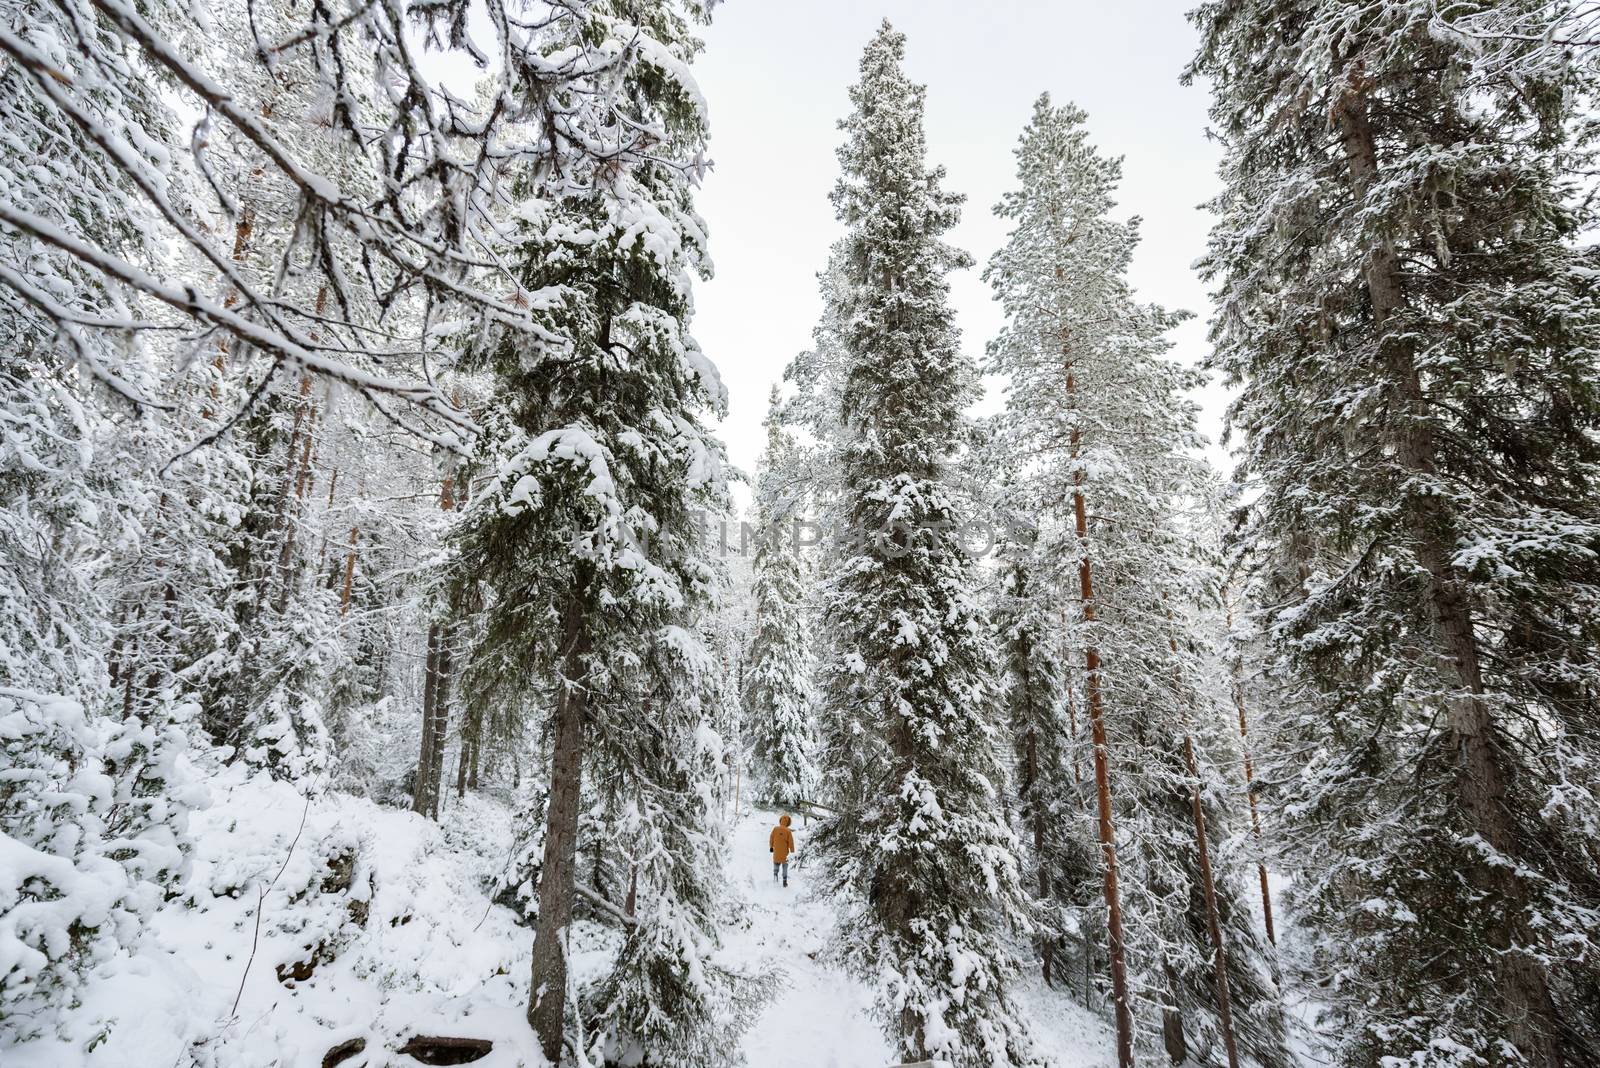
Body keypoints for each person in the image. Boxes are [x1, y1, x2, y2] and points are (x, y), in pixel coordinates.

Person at [769, 813, 795, 887]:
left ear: (780, 821)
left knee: (776, 863)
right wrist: (792, 852)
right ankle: (784, 880)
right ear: (788, 823)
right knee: (785, 866)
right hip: (785, 854)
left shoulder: (775, 829)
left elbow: (771, 838)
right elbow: (791, 843)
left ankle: (775, 875)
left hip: (776, 851)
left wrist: (771, 847)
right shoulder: (788, 831)